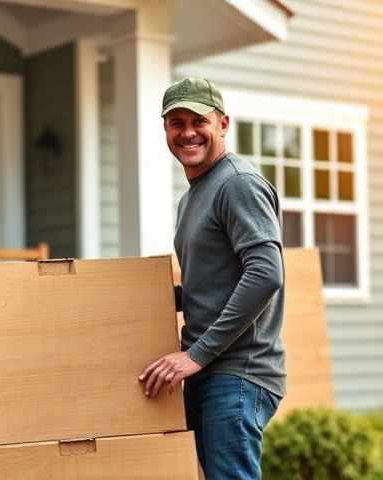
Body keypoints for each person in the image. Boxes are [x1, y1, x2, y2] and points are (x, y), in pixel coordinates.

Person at [139, 77, 285, 480]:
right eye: (176, 122)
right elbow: (214, 283)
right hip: (210, 370)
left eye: (198, 121)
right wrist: (137, 302)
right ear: (165, 129)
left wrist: (195, 355)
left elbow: (265, 274)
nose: (187, 132)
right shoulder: (192, 196)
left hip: (238, 371)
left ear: (222, 123)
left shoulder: (237, 183)